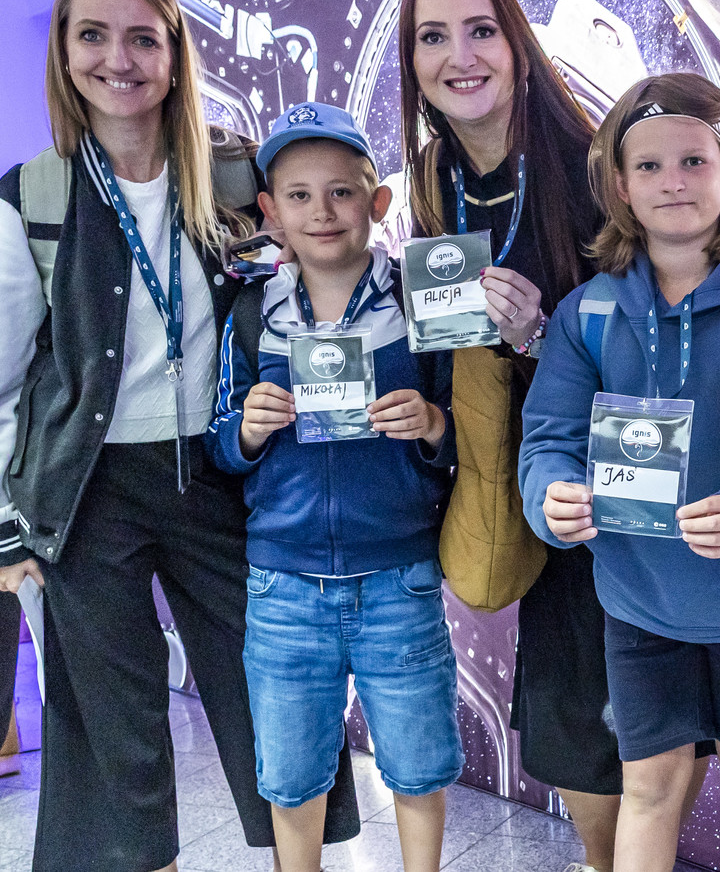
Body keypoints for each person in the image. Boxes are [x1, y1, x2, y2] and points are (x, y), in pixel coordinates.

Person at [0, 0, 357, 872]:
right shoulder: (31, 196)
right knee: (113, 735)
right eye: (93, 35)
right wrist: (2, 524)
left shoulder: (236, 176)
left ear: (175, 54)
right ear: (63, 53)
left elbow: (329, 264)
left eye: (142, 39)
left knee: (273, 692)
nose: (118, 59)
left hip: (223, 472)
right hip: (90, 489)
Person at [520, 72, 720, 872]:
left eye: (694, 161)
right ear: (620, 186)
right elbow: (548, 438)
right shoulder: (587, 315)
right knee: (649, 786)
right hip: (638, 602)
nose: (674, 182)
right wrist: (549, 495)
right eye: (650, 166)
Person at [398, 0, 634, 870]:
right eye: (433, 37)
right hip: (527, 480)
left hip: (621, 468)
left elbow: (658, 333)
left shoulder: (595, 163)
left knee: (644, 708)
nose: (459, 56)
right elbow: (447, 352)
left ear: (518, 45)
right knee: (571, 714)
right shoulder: (431, 181)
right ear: (412, 65)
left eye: (481, 30)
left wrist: (542, 335)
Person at [208, 102, 463, 872]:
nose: (321, 211)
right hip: (283, 587)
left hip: (400, 579)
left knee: (419, 766)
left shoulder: (423, 298)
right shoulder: (250, 310)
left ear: (376, 202)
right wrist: (248, 430)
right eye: (298, 195)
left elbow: (474, 435)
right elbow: (219, 442)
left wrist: (433, 424)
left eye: (342, 192)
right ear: (269, 209)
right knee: (291, 779)